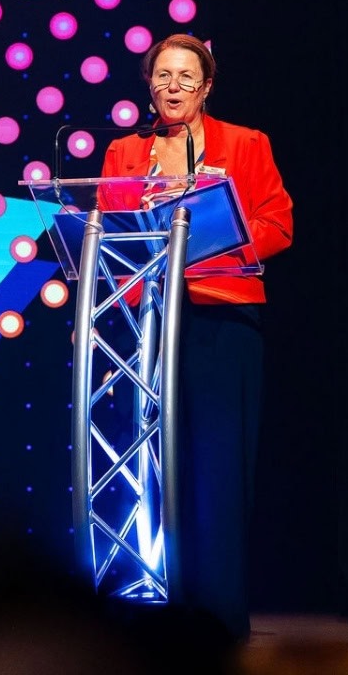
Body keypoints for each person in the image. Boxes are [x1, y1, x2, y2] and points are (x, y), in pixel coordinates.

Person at [96, 33, 293, 641]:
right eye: (163, 75)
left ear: (206, 87)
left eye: (186, 76)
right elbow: (108, 226)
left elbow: (278, 222)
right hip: (147, 325)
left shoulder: (246, 143)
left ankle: (218, 620)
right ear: (148, 85)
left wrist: (208, 248)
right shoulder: (124, 151)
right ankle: (153, 613)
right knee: (150, 467)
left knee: (217, 471)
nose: (173, 86)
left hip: (221, 321)